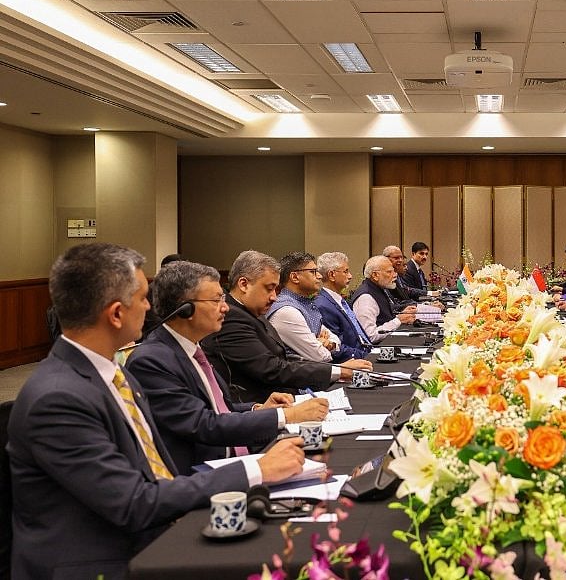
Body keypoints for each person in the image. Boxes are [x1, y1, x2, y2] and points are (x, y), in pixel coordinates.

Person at [7, 243, 305, 579]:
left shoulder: (113, 373)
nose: (151, 307)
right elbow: (132, 502)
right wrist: (256, 469)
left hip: (152, 529)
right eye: (143, 298)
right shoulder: (58, 398)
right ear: (116, 314)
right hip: (105, 561)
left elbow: (154, 471)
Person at [127, 260, 329, 473]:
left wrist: (258, 409)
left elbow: (221, 407)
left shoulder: (192, 347)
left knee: (324, 459)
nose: (225, 307)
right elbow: (202, 424)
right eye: (216, 300)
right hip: (209, 475)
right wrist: (287, 416)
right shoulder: (151, 361)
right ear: (185, 309)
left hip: (242, 454)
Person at [201, 250, 371, 404]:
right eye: (269, 289)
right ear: (244, 284)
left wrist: (337, 369)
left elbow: (284, 359)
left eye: (275, 289)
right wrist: (339, 371)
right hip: (263, 408)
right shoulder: (231, 318)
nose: (274, 297)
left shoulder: (254, 312)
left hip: (283, 398)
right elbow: (271, 368)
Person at [266, 251, 339, 363]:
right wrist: (321, 343)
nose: (319, 276)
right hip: (301, 373)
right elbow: (320, 356)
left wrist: (330, 343)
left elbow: (336, 340)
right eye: (313, 272)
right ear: (295, 277)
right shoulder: (286, 311)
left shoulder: (304, 303)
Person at [315, 251, 372, 361]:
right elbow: (337, 348)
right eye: (346, 272)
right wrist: (369, 356)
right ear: (332, 275)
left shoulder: (340, 301)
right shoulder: (323, 306)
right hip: (355, 361)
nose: (350, 276)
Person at [351, 255, 417, 342]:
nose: (395, 275)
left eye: (394, 271)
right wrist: (398, 320)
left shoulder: (379, 288)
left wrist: (401, 315)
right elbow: (369, 336)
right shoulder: (366, 298)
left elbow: (384, 318)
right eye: (389, 272)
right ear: (375, 275)